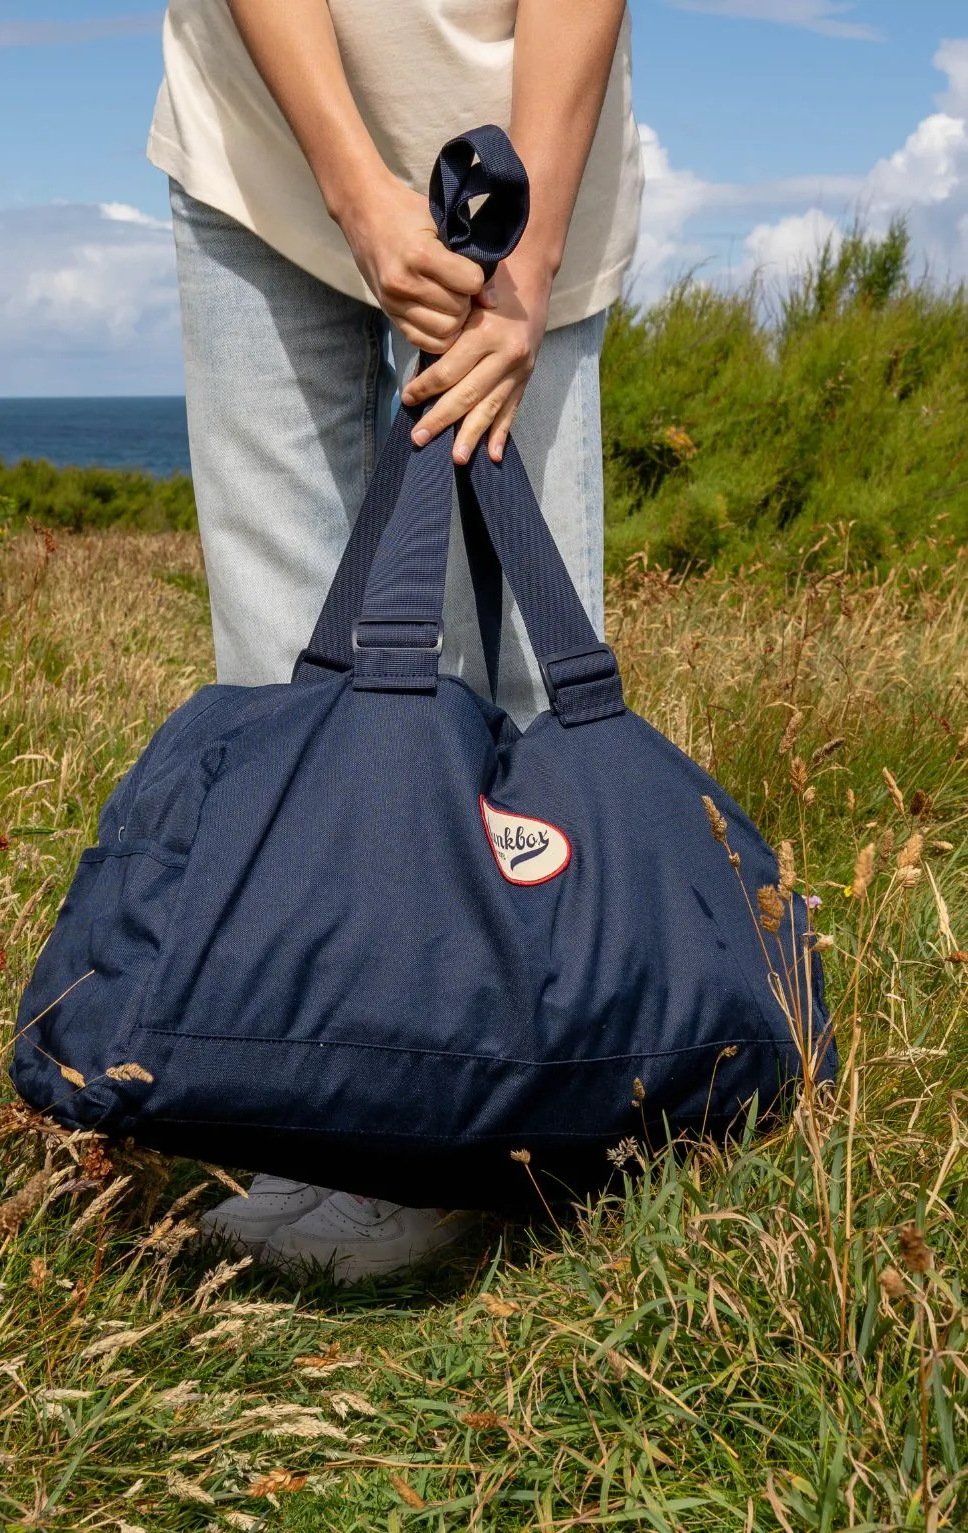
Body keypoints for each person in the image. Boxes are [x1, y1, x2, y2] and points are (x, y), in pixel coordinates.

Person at [147, 0, 644, 1281]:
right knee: (288, 673)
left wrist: (521, 271)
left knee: (529, 698)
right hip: (267, 141)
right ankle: (333, 1124)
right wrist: (353, 191)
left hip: (526, 173)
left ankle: (511, 1127)